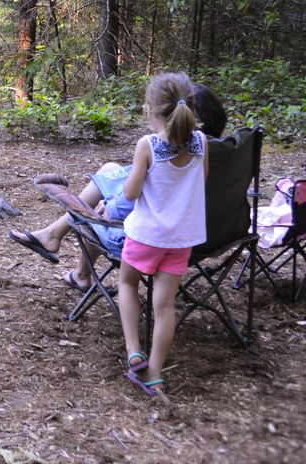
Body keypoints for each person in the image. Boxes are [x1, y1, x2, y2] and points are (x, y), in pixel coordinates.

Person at [8, 83, 226, 291]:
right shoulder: (212, 152)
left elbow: (134, 200)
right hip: (206, 234)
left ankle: (69, 256)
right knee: (109, 169)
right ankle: (56, 238)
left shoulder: (170, 151)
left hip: (157, 238)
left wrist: (109, 206)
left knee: (96, 210)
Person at [119, 72, 208, 396]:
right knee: (164, 305)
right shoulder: (201, 142)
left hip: (146, 236)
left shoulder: (148, 145)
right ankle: (154, 374)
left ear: (151, 112)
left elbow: (130, 194)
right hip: (181, 239)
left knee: (127, 284)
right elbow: (203, 179)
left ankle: (133, 351)